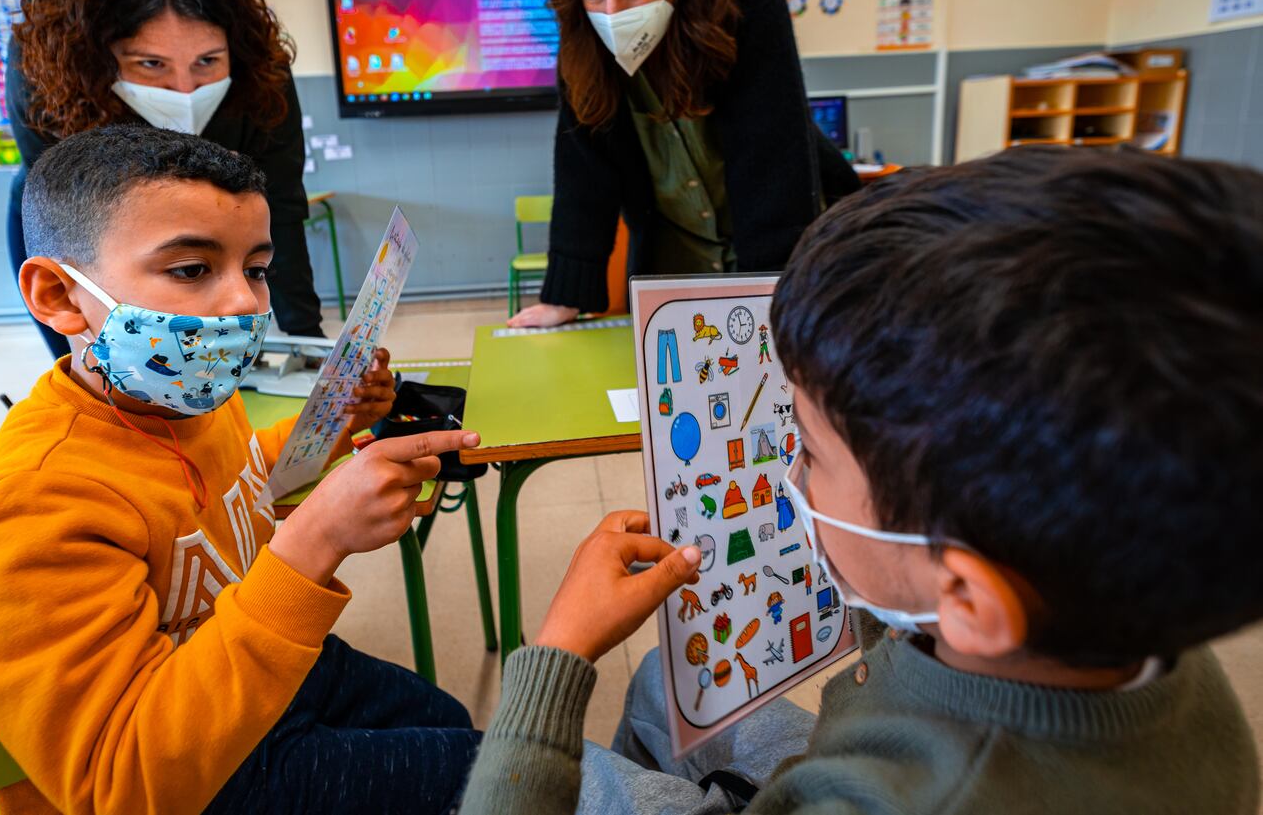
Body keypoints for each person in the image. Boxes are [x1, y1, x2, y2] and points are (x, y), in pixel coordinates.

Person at [462, 147, 1263, 814]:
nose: (789, 472)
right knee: (665, 677)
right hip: (904, 740)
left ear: (970, 599)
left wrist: (559, 653)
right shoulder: (1139, 627)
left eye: (807, 450)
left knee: (570, 778)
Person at [0, 126, 483, 814]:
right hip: (193, 768)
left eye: (256, 267)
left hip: (258, 669)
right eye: (191, 270)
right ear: (61, 296)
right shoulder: (27, 509)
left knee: (450, 718)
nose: (245, 302)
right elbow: (125, 786)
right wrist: (313, 542)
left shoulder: (186, 399)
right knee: (487, 775)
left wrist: (333, 425)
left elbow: (242, 476)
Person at [511, 0, 858, 329]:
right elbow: (581, 169)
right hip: (677, 265)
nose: (612, 11)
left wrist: (774, 296)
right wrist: (565, 296)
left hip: (775, 254)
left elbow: (771, 159)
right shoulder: (584, 30)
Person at [6, 0, 324, 358]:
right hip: (86, 230)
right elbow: (68, 243)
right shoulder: (45, 70)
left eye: (207, 61)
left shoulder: (263, 69)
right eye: (151, 64)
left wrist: (307, 340)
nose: (185, 88)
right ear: (97, 60)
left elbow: (283, 208)